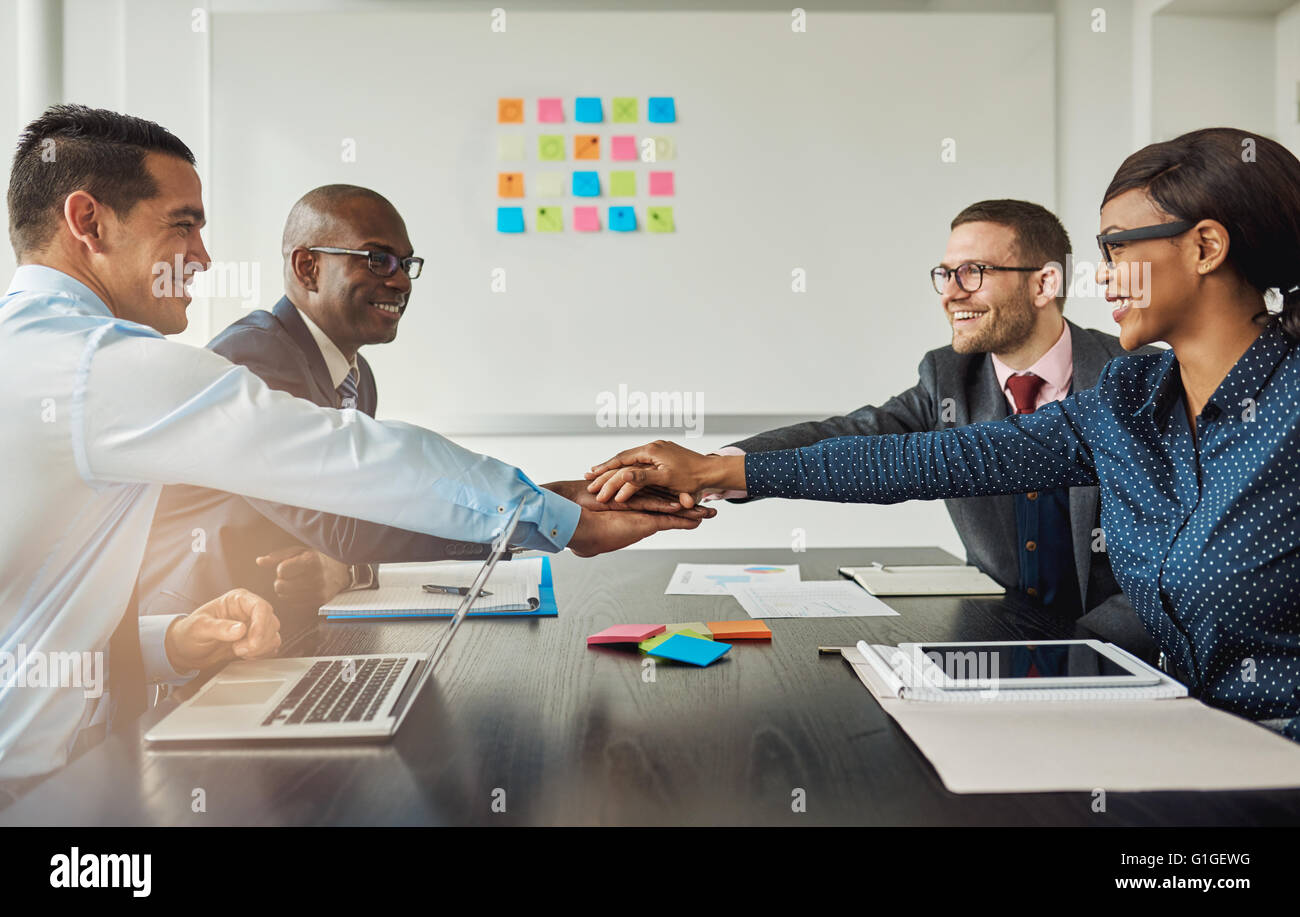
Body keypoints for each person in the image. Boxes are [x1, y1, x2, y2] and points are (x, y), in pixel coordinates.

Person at [0, 104, 708, 787]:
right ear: (88, 222)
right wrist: (563, 515)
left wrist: (168, 642)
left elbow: (35, 623)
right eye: (183, 225)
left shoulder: (45, 358)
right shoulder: (94, 367)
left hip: (74, 758)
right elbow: (344, 460)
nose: (204, 257)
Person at [586, 127, 1300, 742]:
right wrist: (717, 471)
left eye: (1117, 248)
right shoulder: (1129, 399)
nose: (1104, 275)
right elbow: (923, 458)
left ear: (1206, 246)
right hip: (1180, 736)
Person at [140, 185, 704, 637]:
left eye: (408, 263)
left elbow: (350, 526)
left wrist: (557, 500)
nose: (401, 280)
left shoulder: (357, 377)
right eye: (378, 258)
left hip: (286, 631)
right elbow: (341, 519)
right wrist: (551, 515)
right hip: (200, 638)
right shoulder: (254, 357)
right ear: (308, 267)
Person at [706, 199, 1155, 658]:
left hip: (1122, 659)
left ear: (1044, 283)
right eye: (945, 274)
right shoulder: (949, 377)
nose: (951, 293)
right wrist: (716, 467)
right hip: (997, 645)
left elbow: (1168, 571)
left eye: (973, 272)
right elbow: (860, 433)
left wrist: (1084, 653)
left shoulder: (1135, 380)